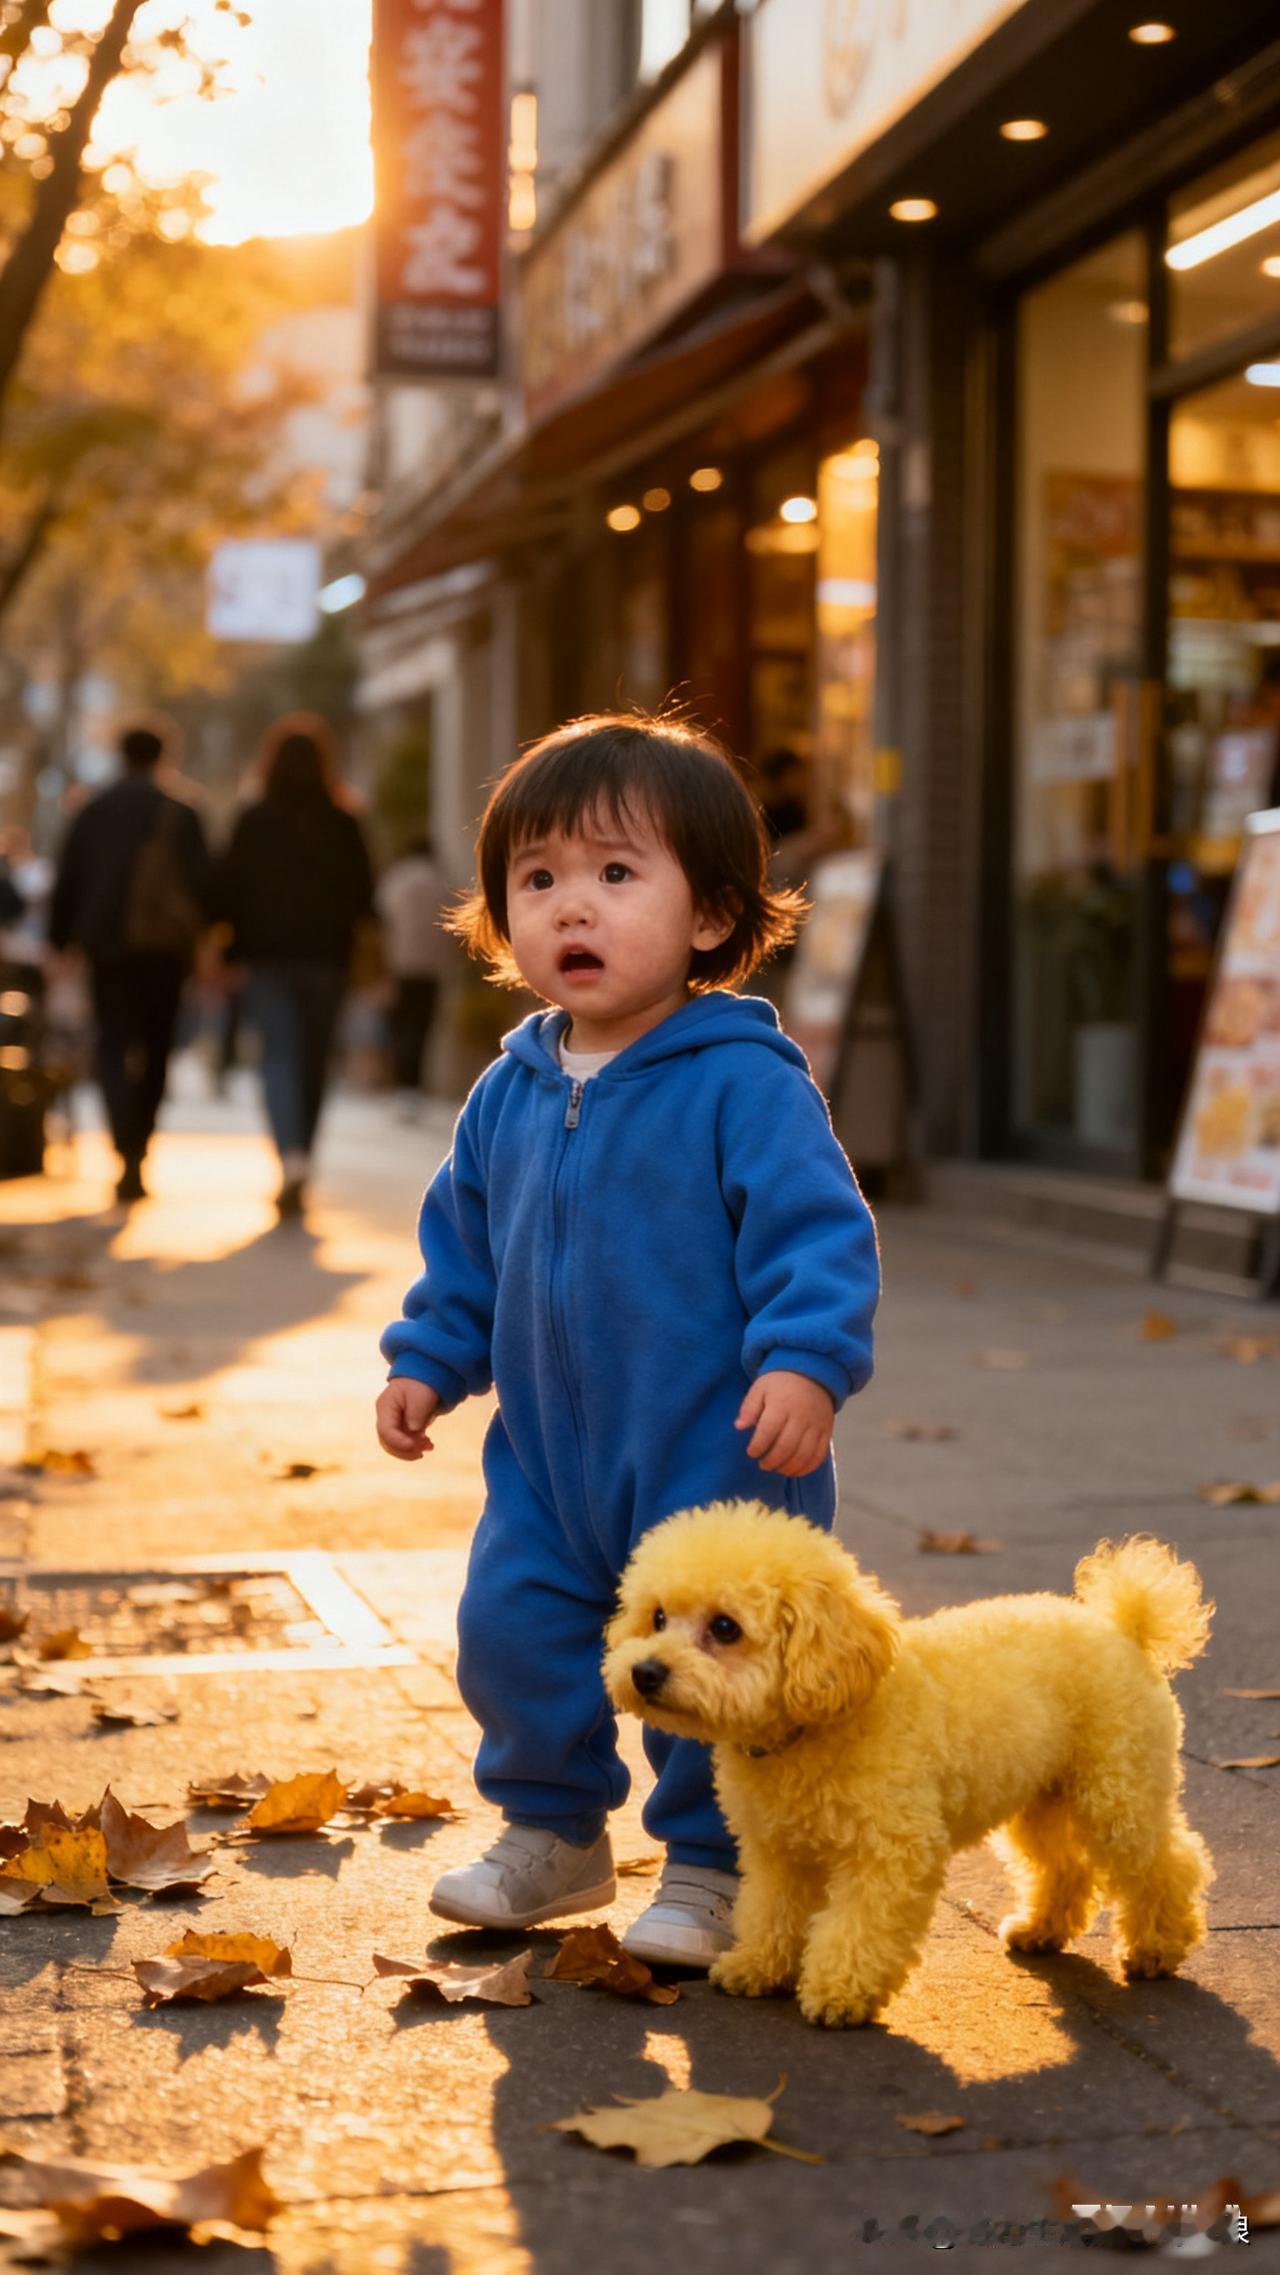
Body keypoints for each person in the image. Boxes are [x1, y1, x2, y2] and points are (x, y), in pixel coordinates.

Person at [375, 713, 880, 1967]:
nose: (570, 909)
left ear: (708, 916)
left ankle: (717, 1863)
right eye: (536, 881)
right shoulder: (509, 1089)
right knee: (510, 1628)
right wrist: (429, 1359)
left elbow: (815, 1233)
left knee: (718, 1669)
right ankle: (552, 1834)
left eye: (613, 874)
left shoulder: (740, 1082)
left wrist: (804, 1361)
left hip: (713, 1449)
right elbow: (466, 1250)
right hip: (548, 1464)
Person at [217, 714, 374, 1219]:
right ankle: (303, 1153)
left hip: (266, 958)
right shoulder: (343, 820)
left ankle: (292, 1156)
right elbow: (364, 893)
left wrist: (227, 945)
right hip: (328, 958)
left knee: (279, 1057)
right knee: (315, 1059)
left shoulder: (253, 818)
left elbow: (227, 888)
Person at [48, 721, 212, 1203]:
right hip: (165, 950)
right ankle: (140, 1147)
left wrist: (62, 943)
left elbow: (68, 879)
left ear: (120, 755)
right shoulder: (182, 811)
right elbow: (204, 884)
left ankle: (124, 1143)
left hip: (107, 947)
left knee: (112, 1042)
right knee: (158, 1047)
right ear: (164, 755)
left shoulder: (92, 809)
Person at [375, 834, 450, 1114]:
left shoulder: (398, 878)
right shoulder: (439, 881)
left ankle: (401, 1086)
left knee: (400, 1026)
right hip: (431, 966)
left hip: (399, 962)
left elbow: (380, 915)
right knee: (422, 1027)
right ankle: (414, 1087)